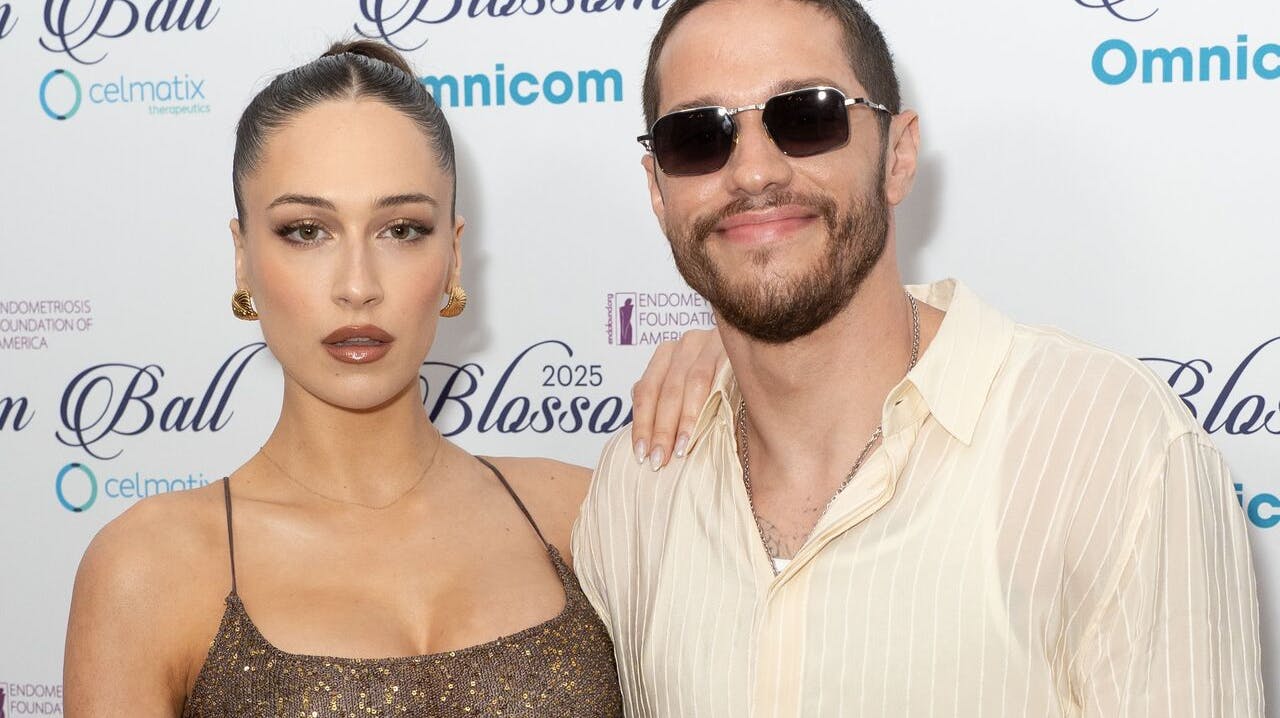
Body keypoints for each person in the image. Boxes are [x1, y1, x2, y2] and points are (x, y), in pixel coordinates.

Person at [572, 0, 1264, 715]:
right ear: (658, 189)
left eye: (806, 115)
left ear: (898, 156)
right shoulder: (639, 485)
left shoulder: (1112, 448)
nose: (752, 171)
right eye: (697, 136)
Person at [63, 41, 717, 717]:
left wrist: (742, 365)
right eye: (306, 231)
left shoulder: (583, 517)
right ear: (241, 258)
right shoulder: (150, 569)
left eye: (402, 229)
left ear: (453, 256)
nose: (357, 286)